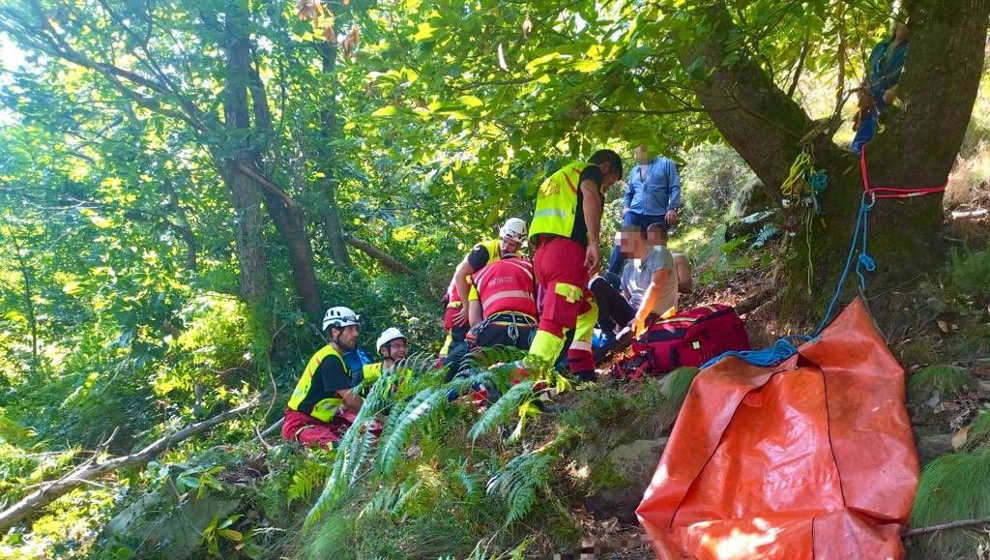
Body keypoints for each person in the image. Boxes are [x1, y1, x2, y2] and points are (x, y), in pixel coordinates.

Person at [519, 150, 623, 382]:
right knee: (556, 320)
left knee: (588, 307)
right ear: (606, 167)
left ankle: (583, 368)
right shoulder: (589, 171)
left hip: (543, 255)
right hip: (566, 252)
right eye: (610, 182)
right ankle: (525, 385)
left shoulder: (555, 180)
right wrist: (594, 243)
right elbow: (589, 195)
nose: (606, 187)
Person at [443, 218, 528, 376]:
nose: (506, 247)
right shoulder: (484, 251)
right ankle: (450, 374)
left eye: (511, 244)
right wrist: (466, 306)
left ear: (518, 245)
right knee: (461, 336)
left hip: (485, 298)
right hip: (463, 294)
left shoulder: (520, 259)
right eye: (504, 241)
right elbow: (460, 275)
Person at [591, 223, 682, 357]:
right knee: (597, 282)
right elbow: (625, 297)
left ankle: (594, 357)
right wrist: (619, 324)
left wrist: (639, 317)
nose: (621, 249)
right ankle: (606, 333)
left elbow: (655, 286)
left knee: (617, 343)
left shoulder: (659, 253)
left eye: (623, 243)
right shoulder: (629, 267)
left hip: (653, 315)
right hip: (632, 314)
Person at [282, 306, 366, 449]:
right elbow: (350, 400)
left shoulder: (338, 358)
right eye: (350, 329)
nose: (356, 334)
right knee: (337, 448)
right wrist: (378, 415)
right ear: (335, 331)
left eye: (356, 329)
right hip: (302, 423)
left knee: (371, 431)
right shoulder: (330, 359)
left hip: (325, 421)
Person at [607, 144, 680, 275]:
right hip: (634, 213)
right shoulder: (634, 170)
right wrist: (626, 207)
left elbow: (674, 187)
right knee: (624, 242)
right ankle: (611, 278)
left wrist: (672, 208)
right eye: (636, 151)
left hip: (657, 214)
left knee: (655, 250)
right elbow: (629, 193)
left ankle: (657, 280)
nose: (638, 153)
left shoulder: (666, 163)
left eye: (641, 148)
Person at [851, 22, 909, 155]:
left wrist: (895, 90)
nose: (904, 26)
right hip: (870, 100)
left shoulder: (910, 50)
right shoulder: (880, 47)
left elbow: (911, 74)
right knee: (859, 146)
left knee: (880, 146)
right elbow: (869, 71)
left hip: (887, 103)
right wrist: (862, 89)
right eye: (902, 22)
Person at [466, 255, 538, 352]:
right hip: (527, 329)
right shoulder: (530, 268)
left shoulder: (479, 276)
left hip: (494, 329)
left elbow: (474, 320)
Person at [361, 327, 410, 392]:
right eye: (397, 346)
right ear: (384, 350)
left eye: (404, 346)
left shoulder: (411, 376)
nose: (402, 350)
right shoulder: (366, 371)